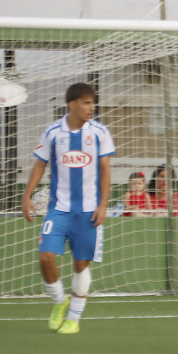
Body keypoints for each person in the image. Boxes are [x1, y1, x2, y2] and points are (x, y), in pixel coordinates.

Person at [21, 82, 116, 335]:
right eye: (86, 103)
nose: (91, 108)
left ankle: (74, 319)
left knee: (81, 264)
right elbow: (40, 164)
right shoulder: (53, 132)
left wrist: (103, 205)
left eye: (93, 103)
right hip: (58, 210)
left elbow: (105, 170)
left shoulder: (100, 132)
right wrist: (27, 195)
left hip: (88, 211)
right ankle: (59, 301)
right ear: (72, 104)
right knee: (45, 257)